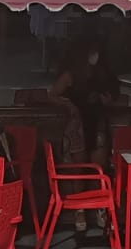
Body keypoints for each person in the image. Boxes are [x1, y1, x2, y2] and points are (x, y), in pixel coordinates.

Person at [51, 40, 120, 231]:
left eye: (96, 53)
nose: (94, 57)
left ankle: (100, 208)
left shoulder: (103, 74)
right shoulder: (71, 75)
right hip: (78, 125)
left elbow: (113, 97)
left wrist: (108, 101)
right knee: (78, 169)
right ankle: (79, 210)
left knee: (100, 168)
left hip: (97, 123)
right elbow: (53, 95)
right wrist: (68, 105)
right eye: (91, 53)